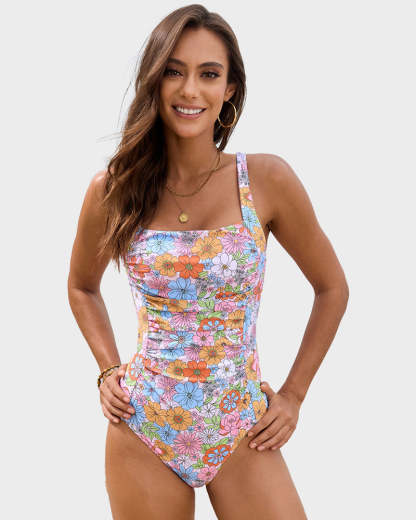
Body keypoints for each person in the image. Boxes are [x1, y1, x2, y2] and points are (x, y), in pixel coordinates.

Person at [67, 4, 349, 519]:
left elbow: (332, 288)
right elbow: (81, 287)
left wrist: (293, 396)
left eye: (209, 74)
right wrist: (107, 368)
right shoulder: (113, 190)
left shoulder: (265, 180)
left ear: (230, 89)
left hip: (241, 426)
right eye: (174, 71)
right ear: (154, 81)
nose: (190, 90)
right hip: (143, 425)